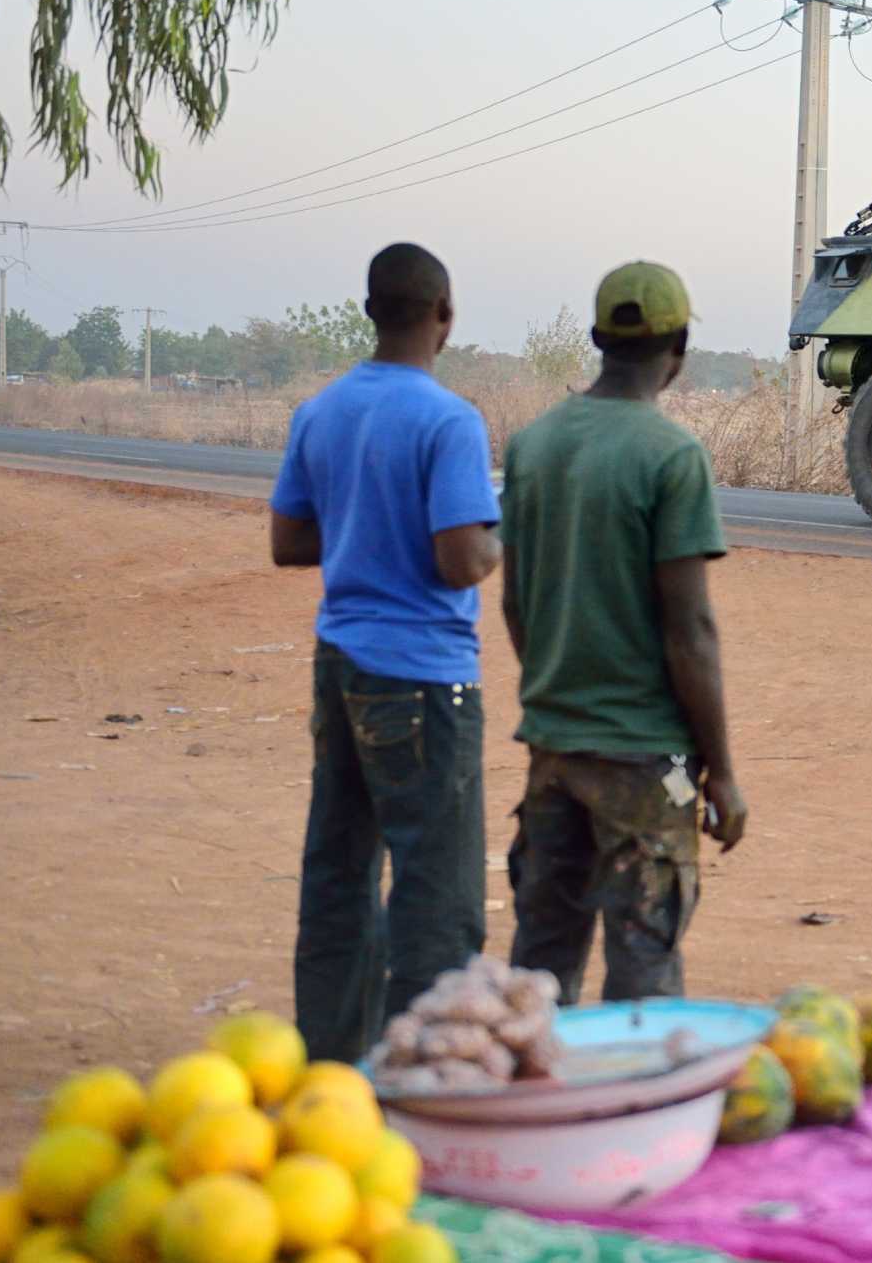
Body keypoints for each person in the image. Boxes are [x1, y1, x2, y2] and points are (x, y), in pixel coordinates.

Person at [269, 243, 502, 1064]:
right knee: (437, 889)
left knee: (338, 868)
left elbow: (289, 541)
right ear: (445, 316)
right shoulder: (449, 420)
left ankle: (332, 1064)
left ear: (371, 312)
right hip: (425, 679)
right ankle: (423, 1072)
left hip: (341, 665)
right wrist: (495, 535)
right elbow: (459, 559)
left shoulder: (321, 412)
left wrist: (364, 523)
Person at [499, 261, 746, 1005]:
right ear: (678, 347)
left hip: (553, 748)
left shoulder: (533, 445)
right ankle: (634, 1115)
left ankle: (528, 1109)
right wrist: (721, 771)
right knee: (644, 965)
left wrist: (561, 688)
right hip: (646, 761)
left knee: (540, 968)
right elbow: (690, 629)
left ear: (598, 338)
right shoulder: (672, 456)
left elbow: (516, 602)